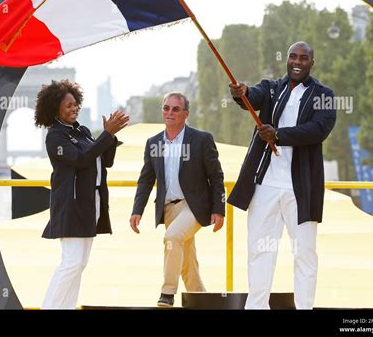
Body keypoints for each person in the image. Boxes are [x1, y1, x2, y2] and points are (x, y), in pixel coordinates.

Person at [228, 42, 336, 309]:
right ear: (286, 60)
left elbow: (319, 129)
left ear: (312, 62)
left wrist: (279, 134)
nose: (297, 61)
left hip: (302, 187)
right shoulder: (271, 87)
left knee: (305, 254)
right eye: (292, 56)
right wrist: (240, 92)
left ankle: (305, 308)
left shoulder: (324, 94)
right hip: (265, 185)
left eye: (303, 57)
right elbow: (251, 97)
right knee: (259, 251)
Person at [34, 79, 129, 309]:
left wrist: (111, 137)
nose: (74, 108)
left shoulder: (83, 131)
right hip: (71, 205)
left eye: (75, 103)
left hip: (91, 204)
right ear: (55, 109)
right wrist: (106, 135)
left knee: (80, 264)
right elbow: (80, 159)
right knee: (71, 263)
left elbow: (105, 161)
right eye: (68, 105)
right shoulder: (55, 136)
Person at [130, 92, 225, 307]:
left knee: (172, 238)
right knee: (187, 263)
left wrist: (219, 209)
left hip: (195, 206)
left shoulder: (202, 140)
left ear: (185, 114)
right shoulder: (153, 143)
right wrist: (137, 210)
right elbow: (146, 180)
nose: (169, 112)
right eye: (166, 108)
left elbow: (216, 176)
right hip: (169, 209)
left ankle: (167, 292)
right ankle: (201, 300)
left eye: (175, 109)